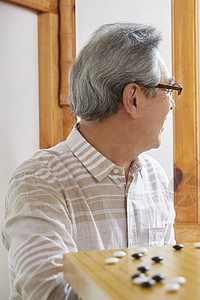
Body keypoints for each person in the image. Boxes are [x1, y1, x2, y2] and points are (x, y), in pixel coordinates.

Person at [1, 23, 181, 299]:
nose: (171, 103)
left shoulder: (155, 178)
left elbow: (167, 276)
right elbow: (49, 292)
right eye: (168, 88)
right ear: (132, 98)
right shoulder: (39, 181)